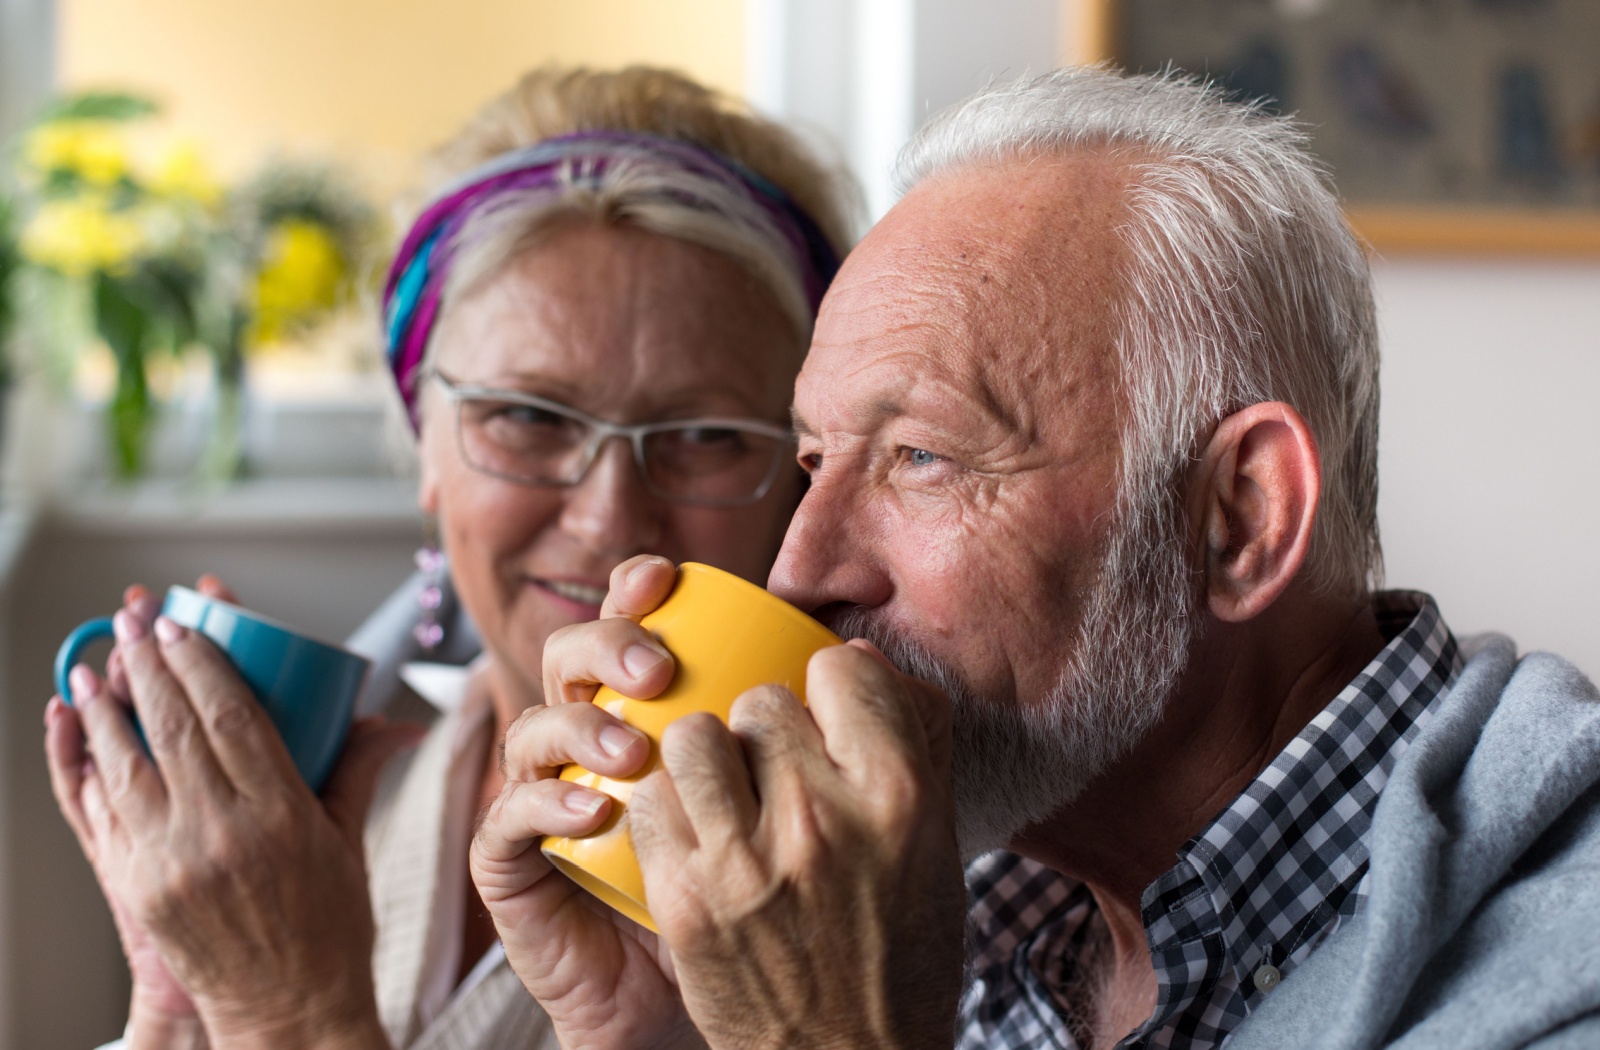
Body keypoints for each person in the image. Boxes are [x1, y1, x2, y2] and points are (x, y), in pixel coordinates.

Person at [473, 67, 1600, 1050]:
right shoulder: (995, 911)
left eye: (921, 456)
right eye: (816, 462)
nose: (800, 573)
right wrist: (680, 1039)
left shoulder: (1560, 963)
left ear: (1240, 519)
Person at [43, 66, 855, 1049]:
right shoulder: (344, 792)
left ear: (801, 470)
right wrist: (179, 1007)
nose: (608, 519)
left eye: (706, 434)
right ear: (421, 444)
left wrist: (285, 1011)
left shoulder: (842, 890)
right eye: (525, 416)